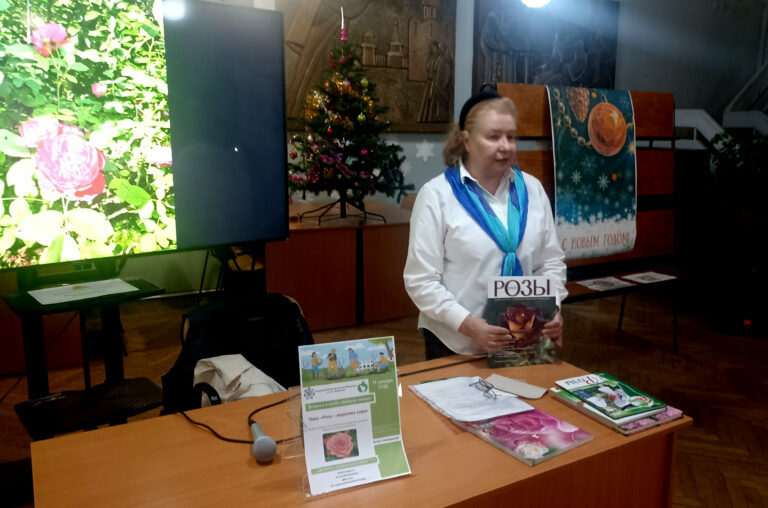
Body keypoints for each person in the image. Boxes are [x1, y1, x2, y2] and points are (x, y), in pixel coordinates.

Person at [403, 89, 567, 359]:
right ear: (466, 141)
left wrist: (553, 308)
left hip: (523, 342)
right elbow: (421, 281)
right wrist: (469, 325)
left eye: (511, 137)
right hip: (456, 345)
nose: (505, 146)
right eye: (493, 136)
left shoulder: (533, 190)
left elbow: (549, 262)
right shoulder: (436, 196)